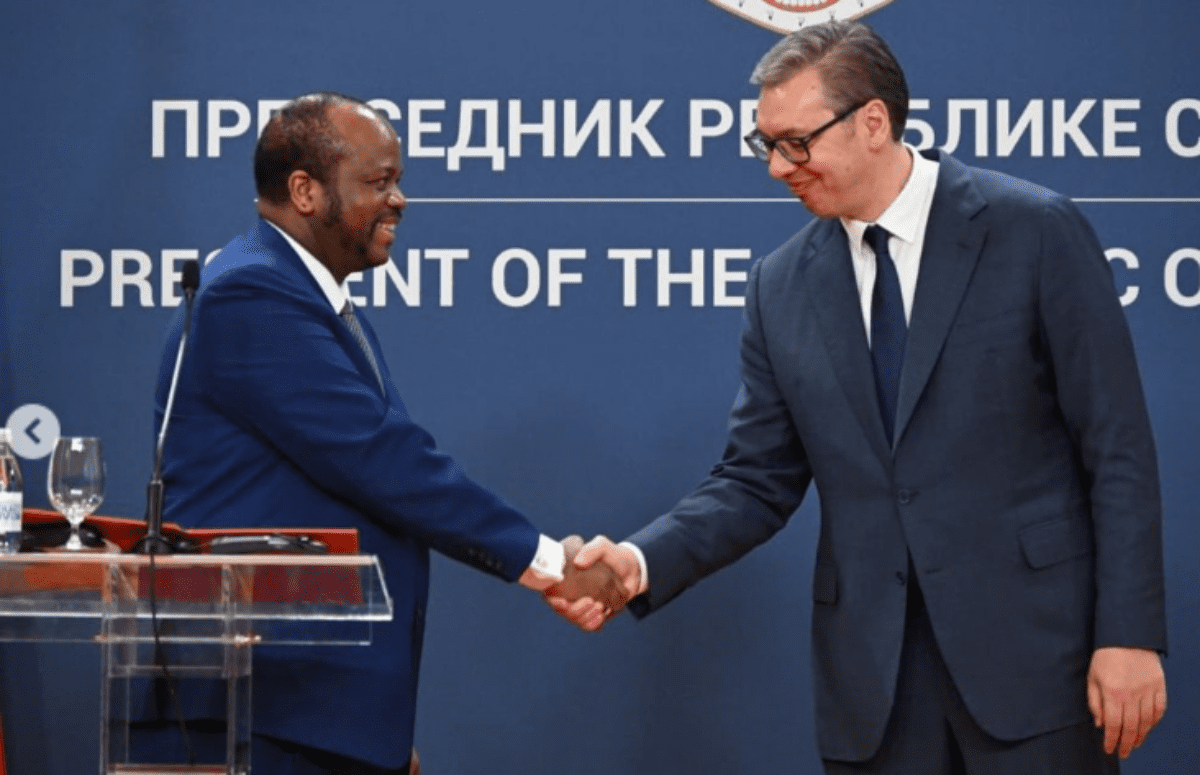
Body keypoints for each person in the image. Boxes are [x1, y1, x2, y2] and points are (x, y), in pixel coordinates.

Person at [553, 21, 1167, 775]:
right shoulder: (781, 285)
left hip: (1039, 665)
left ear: (873, 122)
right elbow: (755, 480)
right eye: (765, 144)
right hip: (876, 693)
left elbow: (1117, 447)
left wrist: (1129, 633)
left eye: (795, 143)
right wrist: (637, 561)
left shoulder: (1033, 230)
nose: (777, 167)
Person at [142, 92, 620, 775]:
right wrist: (547, 562)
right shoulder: (252, 293)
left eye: (397, 181)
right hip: (256, 711)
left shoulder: (308, 295)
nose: (398, 200)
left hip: (310, 714)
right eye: (378, 182)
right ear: (305, 191)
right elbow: (383, 461)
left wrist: (371, 734)